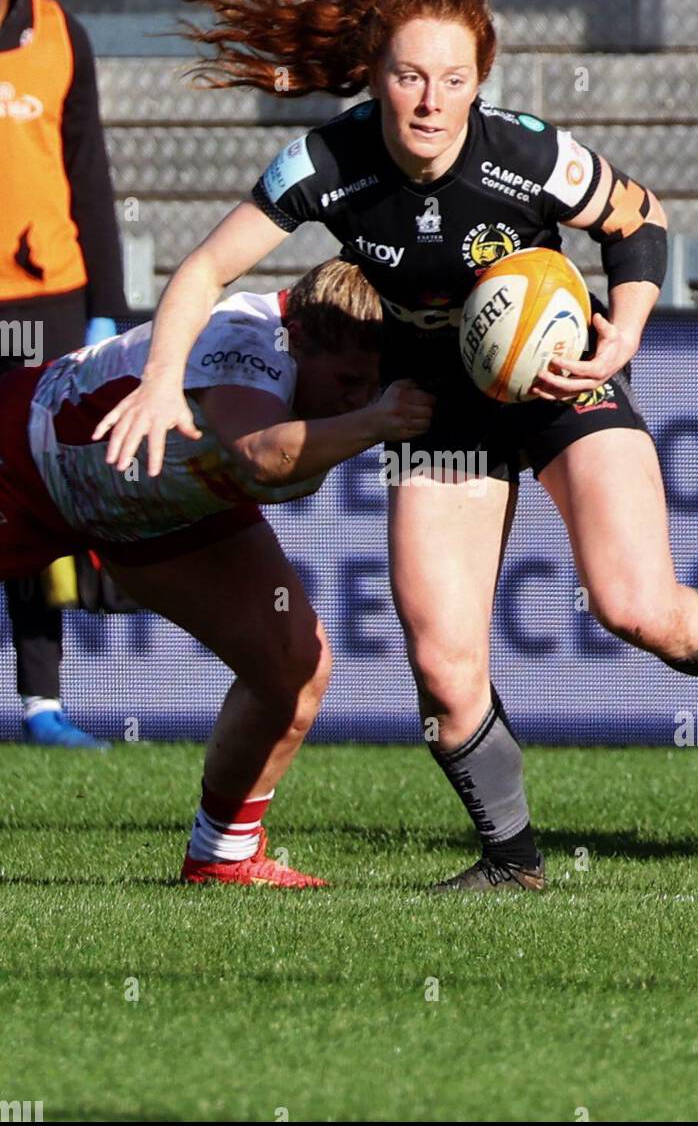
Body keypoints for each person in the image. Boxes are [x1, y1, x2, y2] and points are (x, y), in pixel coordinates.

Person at [92, 0, 698, 892]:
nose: (430, 102)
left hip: (557, 378)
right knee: (442, 664)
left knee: (637, 606)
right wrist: (162, 379)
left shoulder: (526, 154)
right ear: (377, 73)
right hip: (437, 403)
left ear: (480, 80)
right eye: (411, 76)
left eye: (453, 80)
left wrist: (621, 331)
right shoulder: (327, 165)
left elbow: (639, 219)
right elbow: (206, 268)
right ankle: (513, 864)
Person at [0, 257, 434, 886]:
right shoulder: (244, 336)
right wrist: (380, 420)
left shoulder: (350, 374)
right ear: (302, 338)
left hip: (162, 512)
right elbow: (261, 455)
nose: (358, 399)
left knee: (295, 661)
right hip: (26, 461)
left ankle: (223, 855)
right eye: (347, 381)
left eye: (372, 386)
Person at [0, 0, 126, 748]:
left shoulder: (59, 35)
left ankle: (42, 700)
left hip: (47, 298)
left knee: (36, 499)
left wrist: (106, 313)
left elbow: (90, 178)